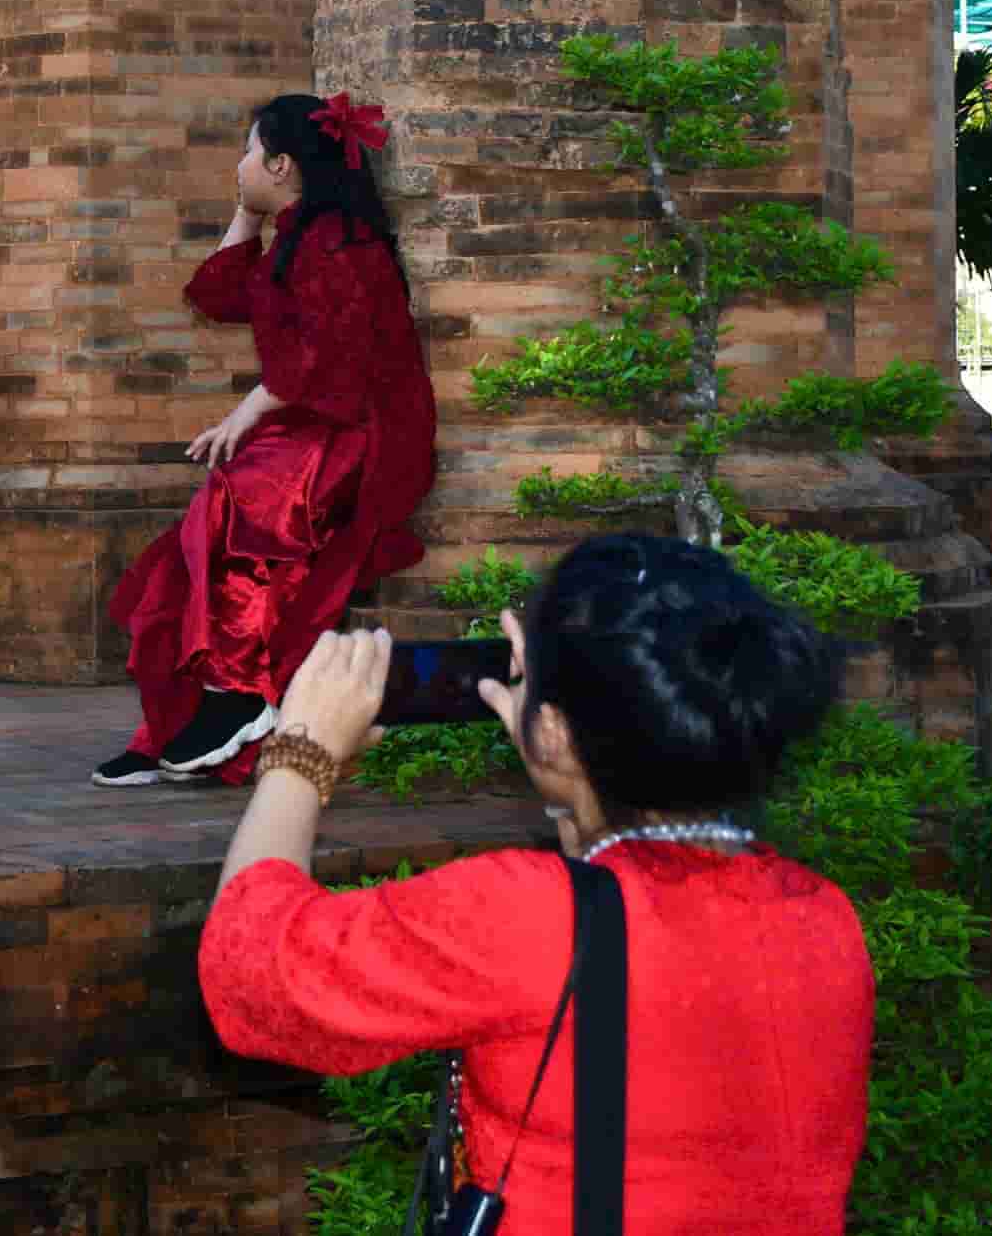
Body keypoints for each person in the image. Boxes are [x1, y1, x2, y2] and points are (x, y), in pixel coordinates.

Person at [200, 535, 871, 1235]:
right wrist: (575, 782)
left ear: (551, 730)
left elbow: (251, 975)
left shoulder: (526, 918)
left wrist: (300, 753)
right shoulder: (826, 920)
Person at [96, 93, 435, 787]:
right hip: (315, 421)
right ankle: (172, 726)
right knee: (184, 559)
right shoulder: (299, 238)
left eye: (250, 152)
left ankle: (239, 694)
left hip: (362, 432)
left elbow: (326, 359)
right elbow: (218, 293)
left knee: (242, 503)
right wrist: (248, 211)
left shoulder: (340, 244)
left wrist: (243, 415)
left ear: (282, 163)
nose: (239, 164)